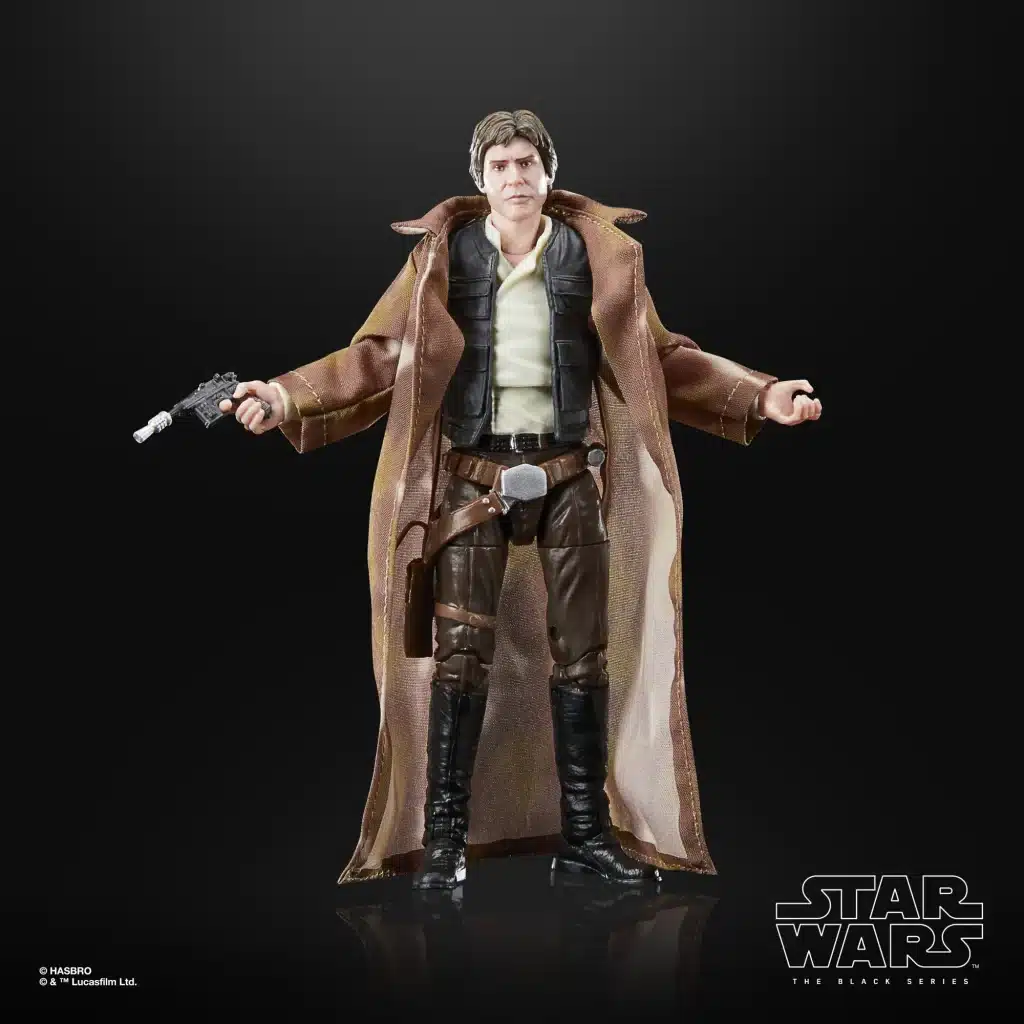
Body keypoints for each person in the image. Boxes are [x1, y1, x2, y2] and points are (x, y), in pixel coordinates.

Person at [220, 110, 821, 890]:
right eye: (499, 165)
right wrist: (284, 395)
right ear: (480, 178)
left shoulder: (595, 255)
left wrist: (761, 395)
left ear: (548, 172)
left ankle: (587, 837)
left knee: (585, 656)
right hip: (474, 480)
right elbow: (380, 357)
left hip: (569, 476)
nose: (514, 178)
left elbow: (658, 359)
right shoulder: (441, 260)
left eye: (525, 163)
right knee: (458, 658)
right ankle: (443, 842)